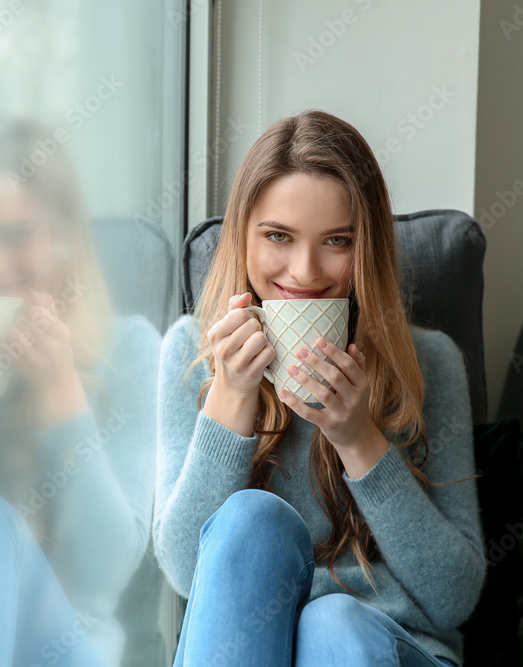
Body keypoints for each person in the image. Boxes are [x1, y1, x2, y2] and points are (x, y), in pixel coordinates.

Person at [153, 110, 484, 667]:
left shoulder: (429, 363)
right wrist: (231, 397)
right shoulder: (192, 354)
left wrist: (359, 440)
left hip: (387, 647)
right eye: (278, 236)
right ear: (243, 237)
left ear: (368, 248)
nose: (305, 272)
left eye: (337, 240)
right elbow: (191, 575)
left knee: (332, 623)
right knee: (251, 521)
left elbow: (454, 598)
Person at [0, 113, 160, 667]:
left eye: (16, 236)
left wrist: (61, 394)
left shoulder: (129, 351)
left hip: (68, 649)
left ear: (63, 241)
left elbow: (104, 570)